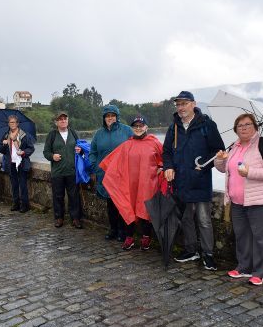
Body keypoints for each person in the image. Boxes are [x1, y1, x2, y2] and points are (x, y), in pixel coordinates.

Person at [214, 114, 263, 285]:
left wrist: (250, 172)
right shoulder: (234, 147)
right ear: (235, 129)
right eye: (239, 125)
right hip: (237, 201)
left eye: (247, 124)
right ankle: (244, 267)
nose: (243, 128)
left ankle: (261, 273)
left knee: (260, 238)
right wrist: (220, 160)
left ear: (255, 127)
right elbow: (225, 170)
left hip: (260, 200)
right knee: (242, 236)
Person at [163, 91, 225, 270]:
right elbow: (166, 151)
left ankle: (208, 254)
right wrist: (168, 167)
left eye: (184, 104)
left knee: (204, 219)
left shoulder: (207, 125)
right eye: (178, 104)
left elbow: (218, 150)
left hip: (200, 180)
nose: (180, 108)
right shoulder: (173, 127)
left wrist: (204, 165)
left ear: (193, 104)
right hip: (180, 181)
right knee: (186, 218)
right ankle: (191, 250)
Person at [100, 116, 164, 250]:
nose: (138, 128)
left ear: (146, 127)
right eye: (136, 126)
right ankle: (129, 237)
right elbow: (112, 162)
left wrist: (161, 167)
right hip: (130, 184)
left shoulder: (154, 143)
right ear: (132, 128)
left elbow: (165, 159)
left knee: (146, 210)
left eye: (141, 126)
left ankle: (146, 237)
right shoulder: (127, 144)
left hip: (147, 184)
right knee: (128, 209)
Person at [89, 104, 133, 241]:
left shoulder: (127, 131)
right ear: (104, 118)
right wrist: (96, 167)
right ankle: (113, 229)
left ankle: (123, 231)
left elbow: (135, 148)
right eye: (107, 116)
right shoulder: (98, 134)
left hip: (122, 174)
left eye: (112, 115)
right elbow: (93, 152)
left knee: (122, 203)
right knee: (110, 204)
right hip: (105, 175)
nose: (110, 118)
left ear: (117, 117)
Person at [43, 111, 82, 229]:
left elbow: (82, 147)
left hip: (72, 171)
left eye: (65, 119)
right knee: (58, 196)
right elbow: (46, 152)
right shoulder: (52, 135)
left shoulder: (74, 133)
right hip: (58, 172)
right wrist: (52, 156)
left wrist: (80, 150)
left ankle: (75, 219)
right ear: (56, 122)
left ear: (68, 121)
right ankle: (59, 218)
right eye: (60, 119)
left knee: (74, 196)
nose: (63, 121)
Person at [0, 115, 35, 213]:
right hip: (11, 163)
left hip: (21, 163)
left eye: (14, 122)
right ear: (8, 124)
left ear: (17, 123)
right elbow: (0, 150)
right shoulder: (6, 135)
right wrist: (3, 143)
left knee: (22, 184)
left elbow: (31, 149)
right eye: (10, 122)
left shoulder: (23, 135)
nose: (12, 124)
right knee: (14, 184)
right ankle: (16, 203)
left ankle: (25, 205)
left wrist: (23, 152)